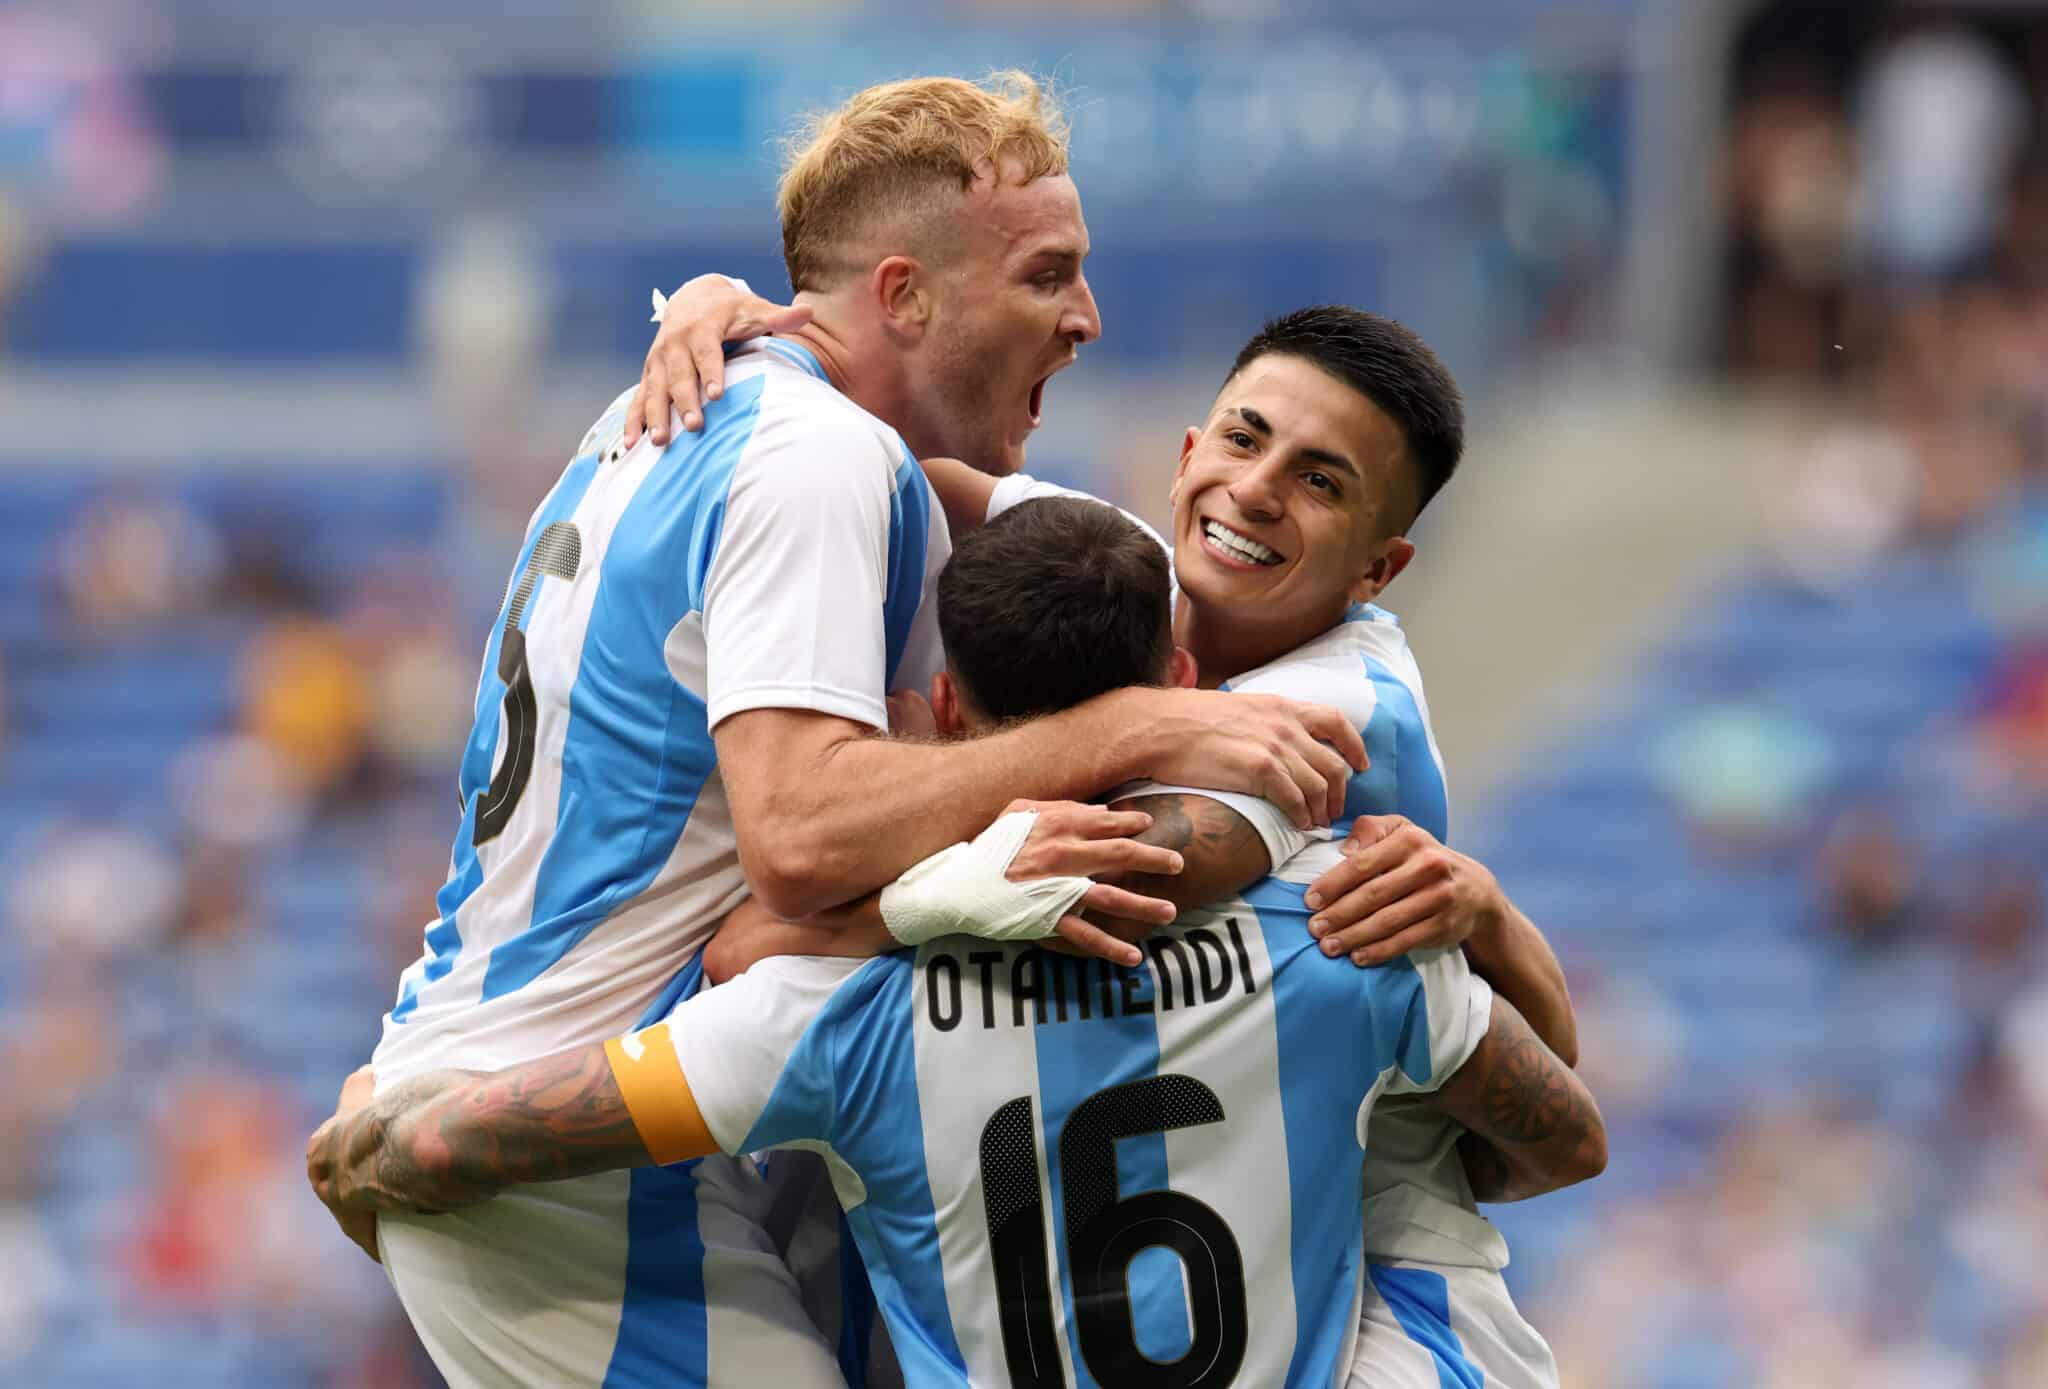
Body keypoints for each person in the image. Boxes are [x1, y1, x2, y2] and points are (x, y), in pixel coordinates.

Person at [362, 71, 1371, 1389]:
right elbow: (801, 835)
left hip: (612, 1127)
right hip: (566, 1172)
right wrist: (1127, 725)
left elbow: (1102, 568)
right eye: (1047, 274)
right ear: (904, 294)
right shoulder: (815, 460)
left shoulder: (735, 424)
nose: (1087, 316)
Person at [310, 496, 1607, 1389]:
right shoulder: (1340, 932)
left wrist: (373, 1129)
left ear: (941, 707)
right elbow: (1562, 1140)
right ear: (1183, 687)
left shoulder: (830, 1008)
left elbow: (450, 1145)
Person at [648, 294, 1582, 1387]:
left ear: (1377, 571)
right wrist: (746, 337)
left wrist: (822, 918)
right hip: (1180, 1236)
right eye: (1243, 437)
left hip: (1370, 1304)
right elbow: (879, 463)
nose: (1256, 489)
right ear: (1188, 453)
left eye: (1320, 481)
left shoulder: (1349, 703)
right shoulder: (1121, 567)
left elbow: (1134, 874)